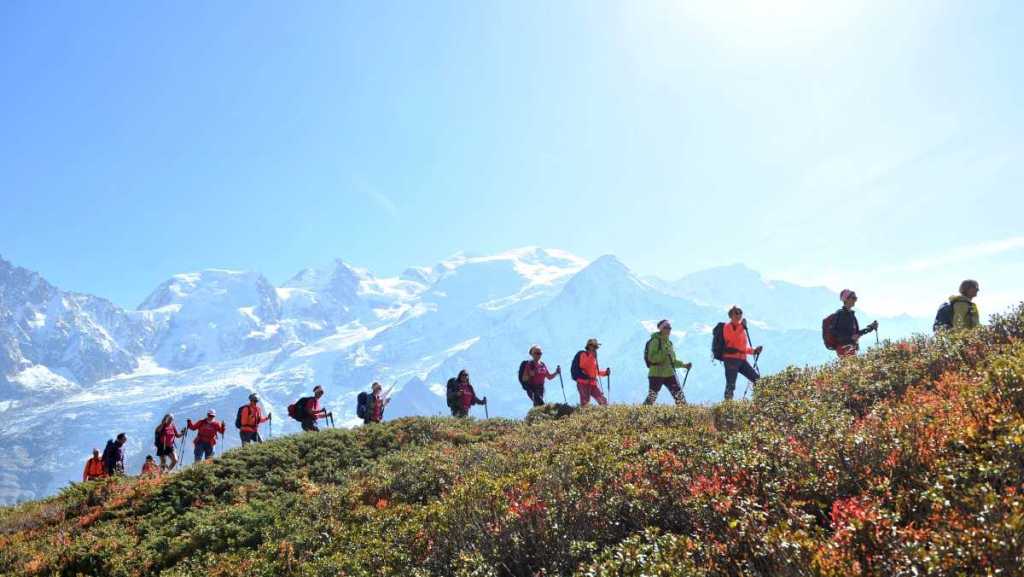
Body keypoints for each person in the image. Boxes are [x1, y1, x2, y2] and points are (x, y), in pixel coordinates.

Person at [643, 320, 692, 405]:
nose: (669, 330)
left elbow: (672, 361)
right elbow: (652, 358)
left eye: (670, 328)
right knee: (652, 397)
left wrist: (684, 365)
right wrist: (664, 353)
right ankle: (639, 415)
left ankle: (685, 416)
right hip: (656, 374)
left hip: (669, 373)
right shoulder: (655, 341)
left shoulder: (669, 343)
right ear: (661, 329)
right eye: (666, 328)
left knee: (679, 396)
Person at [721, 307, 763, 400]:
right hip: (731, 360)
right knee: (731, 385)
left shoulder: (741, 328)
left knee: (757, 380)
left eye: (740, 313)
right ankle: (727, 407)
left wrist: (754, 351)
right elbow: (732, 339)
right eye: (736, 313)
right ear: (731, 316)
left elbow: (741, 348)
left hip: (741, 360)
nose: (739, 315)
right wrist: (742, 327)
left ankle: (760, 401)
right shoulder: (727, 327)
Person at [828, 290, 878, 358]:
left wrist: (870, 327)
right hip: (844, 348)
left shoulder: (852, 315)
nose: (855, 300)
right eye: (853, 298)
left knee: (852, 367)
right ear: (846, 299)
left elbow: (856, 334)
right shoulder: (840, 314)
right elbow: (833, 331)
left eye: (856, 298)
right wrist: (849, 337)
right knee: (851, 367)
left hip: (850, 347)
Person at [571, 338, 610, 407]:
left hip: (592, 384)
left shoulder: (593, 358)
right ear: (589, 346)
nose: (596, 348)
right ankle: (582, 417)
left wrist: (605, 373)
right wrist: (592, 356)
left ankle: (606, 415)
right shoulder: (583, 354)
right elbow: (583, 365)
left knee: (603, 400)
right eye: (594, 346)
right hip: (583, 383)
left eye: (596, 347)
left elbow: (595, 371)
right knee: (585, 403)